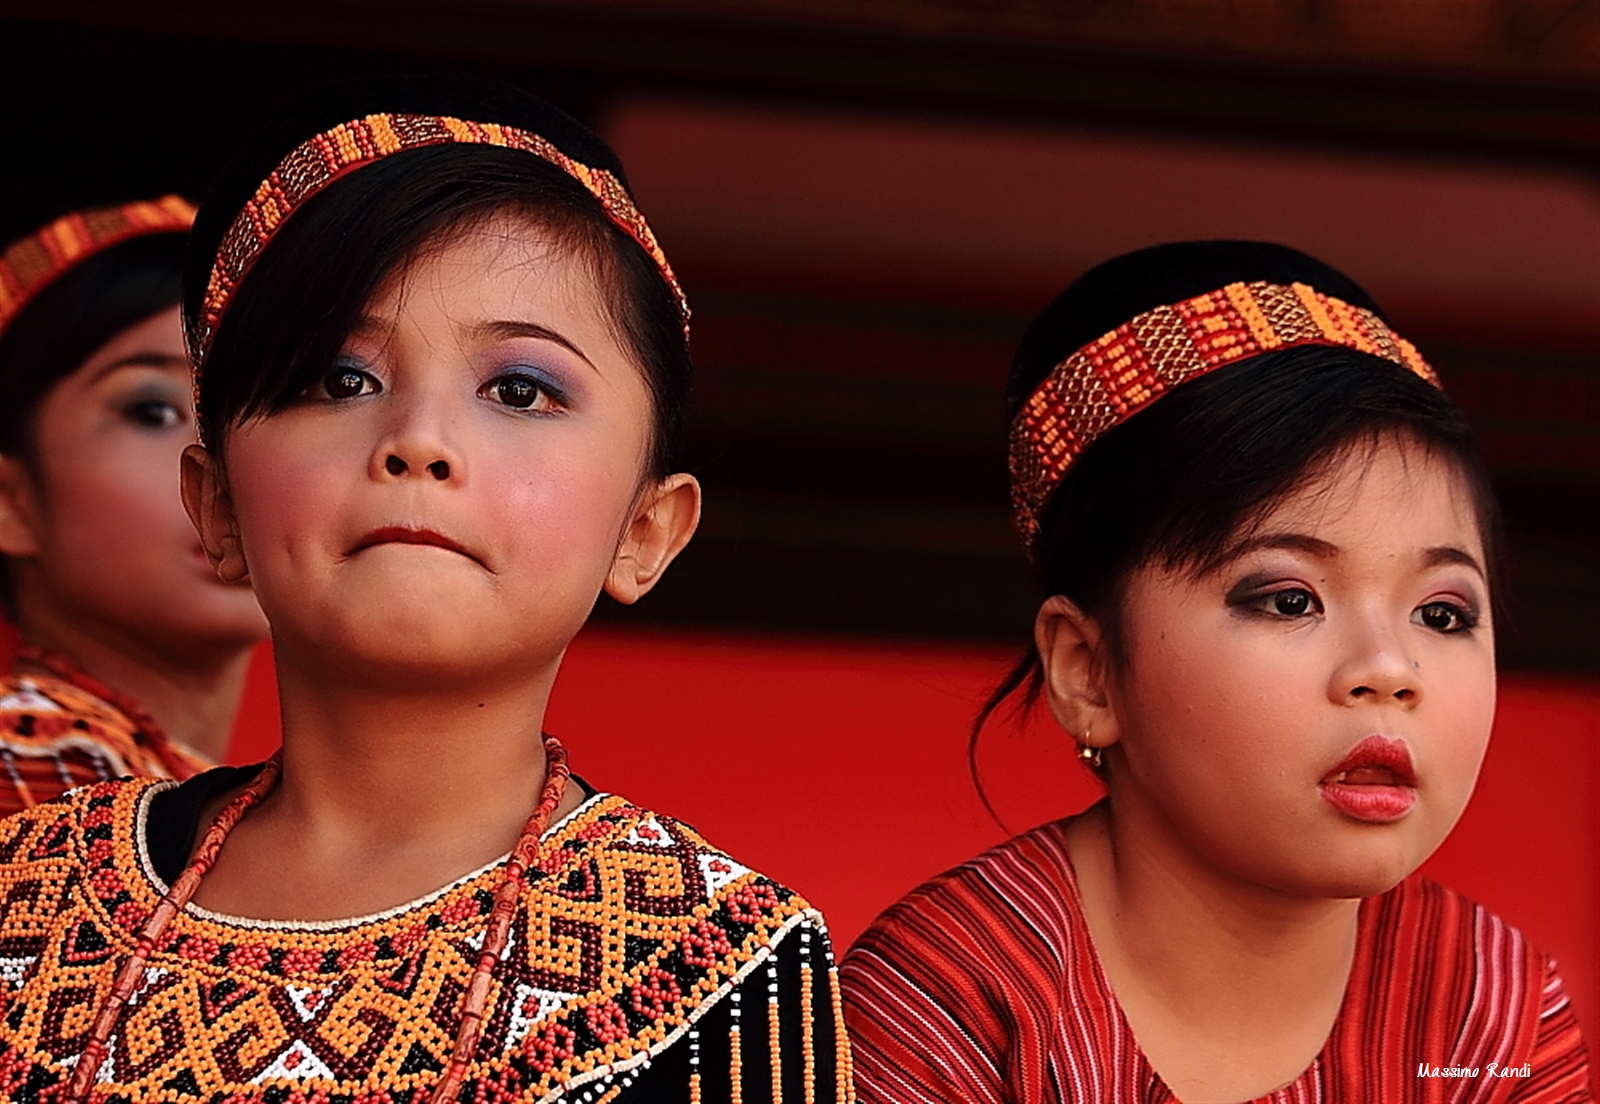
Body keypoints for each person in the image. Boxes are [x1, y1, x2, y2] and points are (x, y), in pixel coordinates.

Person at [0, 77, 851, 1103]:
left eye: (520, 390)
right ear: (218, 504)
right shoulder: (23, 895)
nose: (417, 443)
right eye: (339, 382)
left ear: (645, 531)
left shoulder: (721, 960)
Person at [840, 242, 1590, 1103]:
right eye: (1286, 600)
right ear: (1088, 673)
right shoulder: (953, 1000)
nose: (1388, 670)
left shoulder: (1490, 1009)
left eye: (1442, 614)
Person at [0, 193, 268, 813]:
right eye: (153, 411)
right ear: (11, 501)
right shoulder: (36, 770)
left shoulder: (216, 800)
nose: (222, 462)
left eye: (268, 401)